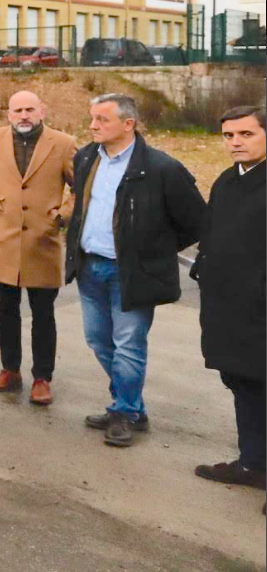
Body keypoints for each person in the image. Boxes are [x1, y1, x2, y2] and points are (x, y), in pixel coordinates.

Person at [64, 94, 205, 448]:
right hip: (90, 267)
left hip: (132, 273)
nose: (93, 125)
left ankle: (124, 413)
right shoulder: (85, 158)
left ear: (129, 124)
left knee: (128, 344)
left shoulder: (161, 168)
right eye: (92, 118)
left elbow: (195, 223)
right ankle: (132, 406)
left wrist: (153, 251)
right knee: (98, 340)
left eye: (102, 119)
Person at [0, 90, 77, 405]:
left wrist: (62, 216)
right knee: (6, 310)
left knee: (43, 313)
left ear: (42, 111)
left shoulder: (63, 144)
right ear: (8, 114)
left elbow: (83, 186)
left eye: (30, 109)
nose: (24, 115)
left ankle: (42, 378)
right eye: (17, 110)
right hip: (3, 242)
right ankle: (10, 371)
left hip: (43, 242)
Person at [191, 106, 266, 492]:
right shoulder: (225, 181)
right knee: (242, 382)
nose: (236, 142)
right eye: (228, 135)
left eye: (246, 134)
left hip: (261, 310)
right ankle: (253, 464)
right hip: (227, 308)